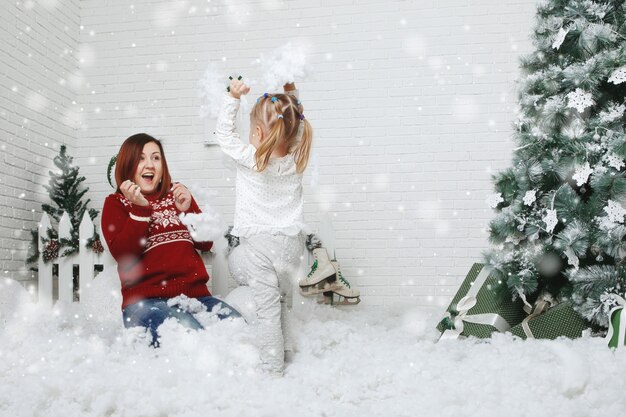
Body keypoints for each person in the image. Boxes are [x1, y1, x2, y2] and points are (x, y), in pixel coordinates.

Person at [101, 133, 241, 346]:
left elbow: (205, 243)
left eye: (156, 158)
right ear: (127, 163)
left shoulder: (176, 194)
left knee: (240, 333)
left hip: (196, 297)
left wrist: (188, 210)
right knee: (192, 341)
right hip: (145, 303)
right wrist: (140, 209)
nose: (150, 164)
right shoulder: (116, 204)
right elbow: (125, 254)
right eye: (141, 158)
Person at [215, 77, 313, 375]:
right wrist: (291, 93)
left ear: (257, 132)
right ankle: (285, 350)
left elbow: (223, 135)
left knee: (267, 307)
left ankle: (272, 368)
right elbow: (293, 123)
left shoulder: (252, 159)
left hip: (260, 247)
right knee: (280, 299)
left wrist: (232, 98)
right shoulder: (295, 159)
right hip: (291, 247)